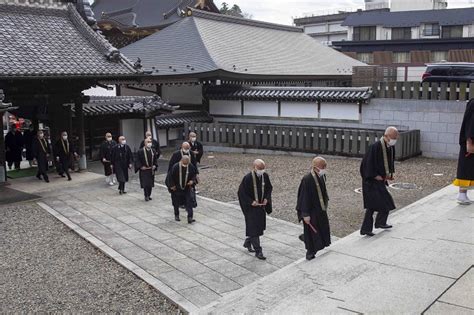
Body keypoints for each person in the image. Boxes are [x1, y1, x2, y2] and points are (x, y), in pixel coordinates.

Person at [360, 126, 399, 237]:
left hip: (381, 180)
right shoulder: (375, 147)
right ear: (386, 136)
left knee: (386, 201)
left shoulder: (390, 147)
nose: (394, 140)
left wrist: (389, 175)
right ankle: (366, 229)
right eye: (393, 137)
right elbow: (366, 164)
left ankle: (380, 223)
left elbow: (390, 163)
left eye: (396, 138)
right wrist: (374, 175)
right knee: (372, 206)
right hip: (371, 181)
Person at [296, 157, 331, 260]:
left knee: (321, 229)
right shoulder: (307, 179)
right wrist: (305, 214)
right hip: (310, 210)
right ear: (316, 167)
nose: (324, 169)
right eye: (323, 167)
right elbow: (303, 197)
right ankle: (310, 252)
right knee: (312, 232)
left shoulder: (321, 176)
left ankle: (309, 240)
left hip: (319, 209)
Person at [238, 159, 273, 260]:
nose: (261, 171)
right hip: (251, 208)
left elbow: (269, 188)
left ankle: (248, 242)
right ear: (254, 168)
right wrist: (250, 201)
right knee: (254, 229)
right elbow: (241, 193)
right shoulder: (248, 178)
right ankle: (258, 251)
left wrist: (267, 198)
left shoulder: (265, 176)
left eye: (263, 169)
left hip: (261, 206)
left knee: (258, 228)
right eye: (259, 169)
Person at [166, 155, 198, 223]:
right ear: (181, 161)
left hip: (186, 187)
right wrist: (172, 186)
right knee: (176, 202)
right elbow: (170, 177)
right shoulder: (175, 167)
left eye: (187, 164)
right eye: (184, 164)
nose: (185, 165)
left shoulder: (190, 166)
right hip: (176, 188)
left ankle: (190, 217)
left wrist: (192, 181)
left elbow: (194, 175)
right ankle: (176, 215)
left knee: (189, 202)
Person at [453, 99, 474, 204]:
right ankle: (462, 194)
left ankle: (462, 194)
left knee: (467, 167)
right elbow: (471, 124)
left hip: (469, 139)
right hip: (470, 140)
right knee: (467, 168)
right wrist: (469, 141)